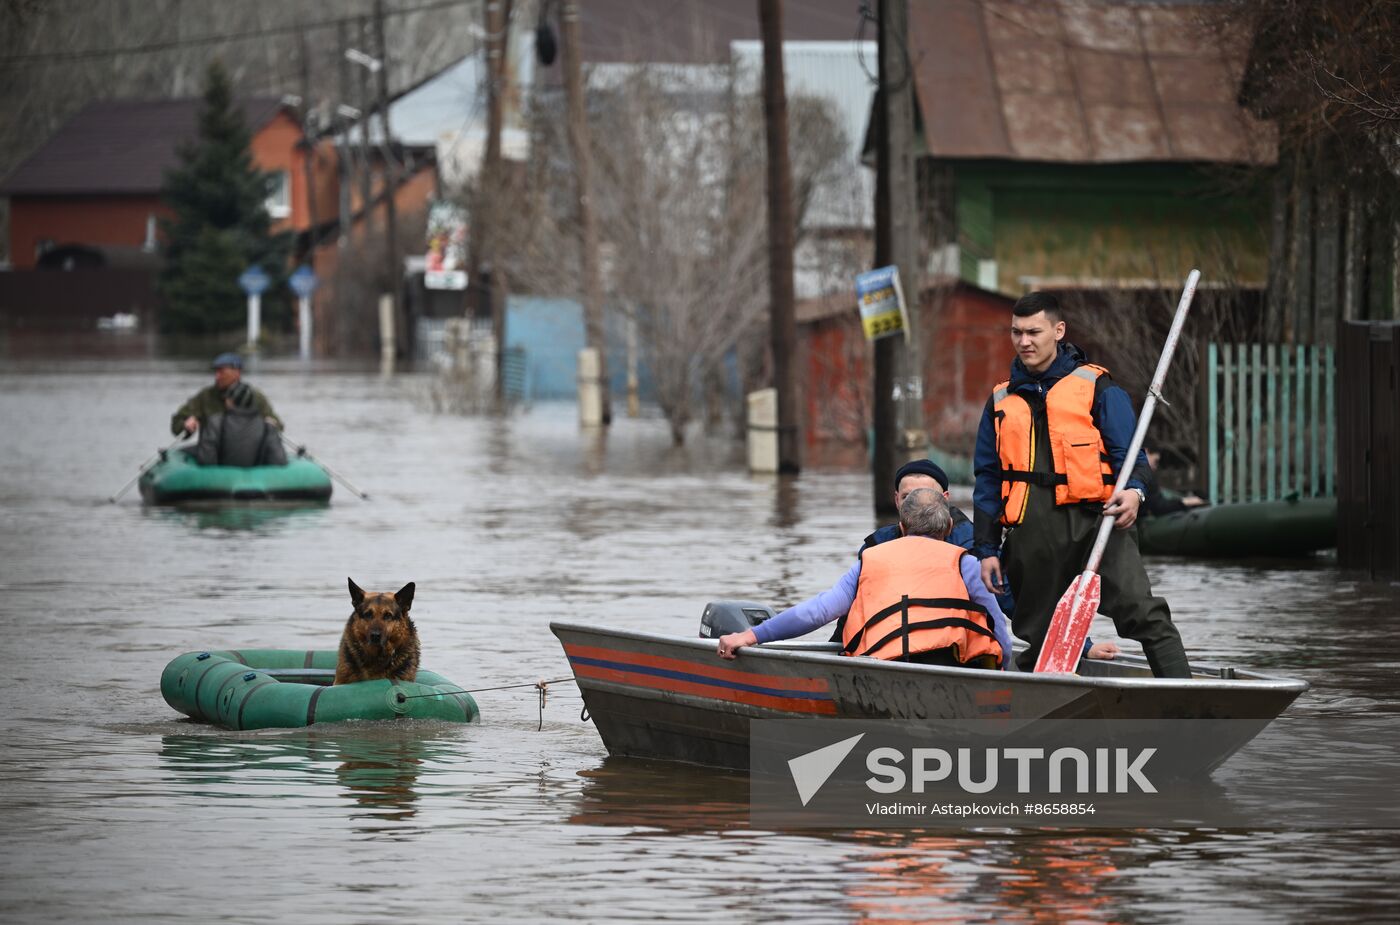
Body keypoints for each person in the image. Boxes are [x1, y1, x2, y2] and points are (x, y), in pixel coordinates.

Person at [972, 292, 1191, 678]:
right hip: (1031, 531)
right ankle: (1045, 708)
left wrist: (1135, 493)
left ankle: (1187, 698)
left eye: (1034, 332)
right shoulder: (1000, 400)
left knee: (1143, 612)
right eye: (1016, 332)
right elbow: (988, 479)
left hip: (1098, 523)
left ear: (1058, 331)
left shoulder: (1099, 388)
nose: (1024, 341)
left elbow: (1134, 461)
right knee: (1041, 633)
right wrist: (987, 548)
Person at [849, 457, 1119, 662]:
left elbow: (1016, 605)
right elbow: (849, 608)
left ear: (945, 500)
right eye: (908, 497)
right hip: (885, 651)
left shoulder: (973, 549)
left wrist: (1082, 646)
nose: (917, 504)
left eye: (927, 496)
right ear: (896, 500)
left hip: (952, 654)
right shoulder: (876, 546)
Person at [717, 488, 1014, 669]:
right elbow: (1000, 631)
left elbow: (818, 611)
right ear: (950, 527)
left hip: (883, 664)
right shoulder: (967, 563)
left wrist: (750, 635)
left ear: (901, 526)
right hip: (950, 664)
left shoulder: (870, 560)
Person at [171, 352, 282, 437]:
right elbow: (176, 425)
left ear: (237, 372)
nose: (217, 376)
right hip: (212, 451)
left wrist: (272, 424)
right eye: (216, 372)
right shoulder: (205, 397)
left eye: (221, 372)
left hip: (248, 451)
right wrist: (186, 425)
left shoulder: (255, 397)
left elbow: (278, 426)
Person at [190, 382, 287, 467]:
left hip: (220, 483)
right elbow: (278, 460)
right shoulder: (267, 426)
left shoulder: (215, 422)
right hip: (259, 482)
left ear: (230, 401)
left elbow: (206, 460)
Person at [1143, 449, 1207, 517]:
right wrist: (1184, 502)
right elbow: (1158, 506)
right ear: (1146, 452)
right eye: (1155, 461)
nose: (1155, 467)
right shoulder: (1145, 476)